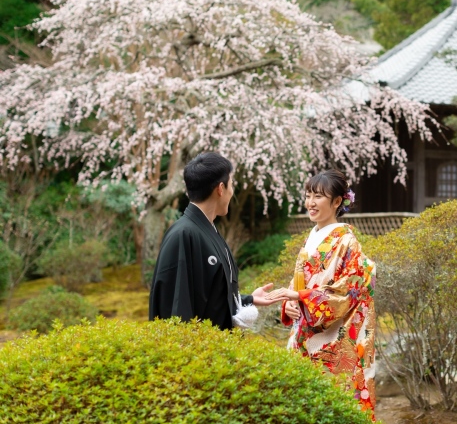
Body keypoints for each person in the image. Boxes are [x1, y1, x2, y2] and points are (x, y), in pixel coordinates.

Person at [265, 170, 377, 419]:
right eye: (308, 195)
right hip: (305, 328)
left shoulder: (347, 240)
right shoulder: (313, 236)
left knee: (331, 402)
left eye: (318, 196)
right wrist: (291, 305)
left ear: (337, 202)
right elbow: (299, 282)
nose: (310, 202)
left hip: (332, 335)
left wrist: (302, 298)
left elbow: (350, 289)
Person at [149, 152, 277, 330]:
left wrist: (249, 299)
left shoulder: (206, 229)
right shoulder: (183, 234)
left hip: (217, 348)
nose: (232, 192)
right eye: (232, 185)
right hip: (200, 353)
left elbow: (210, 295)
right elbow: (177, 307)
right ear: (221, 188)